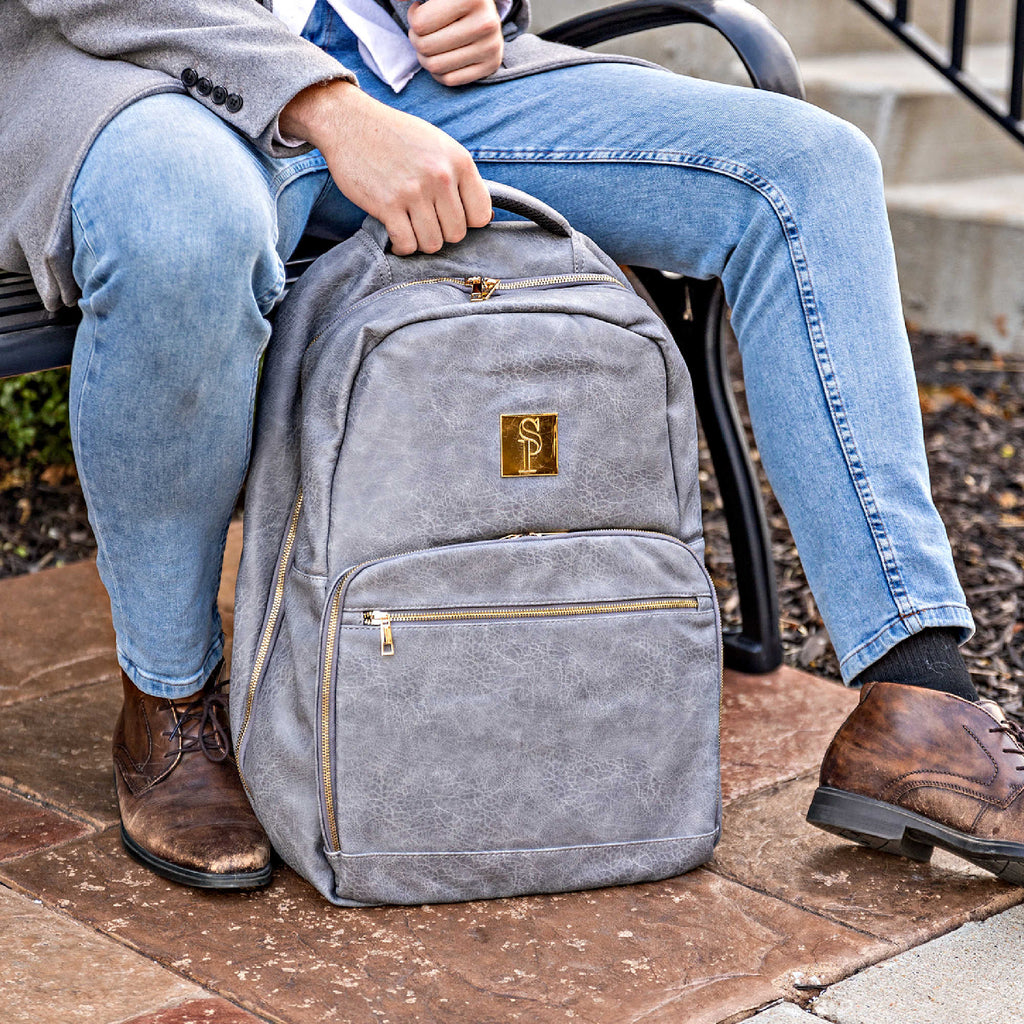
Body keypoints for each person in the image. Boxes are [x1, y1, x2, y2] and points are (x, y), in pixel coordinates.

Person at [2, 0, 1022, 891]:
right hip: (141, 78)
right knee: (186, 234)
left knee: (808, 171)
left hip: (409, 78)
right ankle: (169, 698)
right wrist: (325, 105)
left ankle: (917, 700)